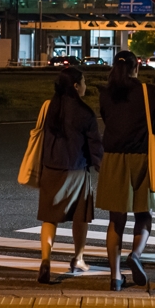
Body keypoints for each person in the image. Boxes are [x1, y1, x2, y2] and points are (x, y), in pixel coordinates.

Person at [97, 50, 155, 291]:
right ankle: (135, 254)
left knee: (116, 219)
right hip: (141, 158)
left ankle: (115, 276)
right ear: (137, 67)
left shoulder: (106, 93)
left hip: (112, 159)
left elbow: (107, 117)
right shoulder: (147, 91)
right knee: (143, 214)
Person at [36, 67, 103, 284]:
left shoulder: (50, 107)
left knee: (50, 217)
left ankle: (46, 259)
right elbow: (95, 147)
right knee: (80, 216)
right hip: (77, 169)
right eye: (83, 81)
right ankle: (78, 258)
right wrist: (101, 167)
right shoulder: (84, 113)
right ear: (76, 86)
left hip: (51, 168)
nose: (85, 86)